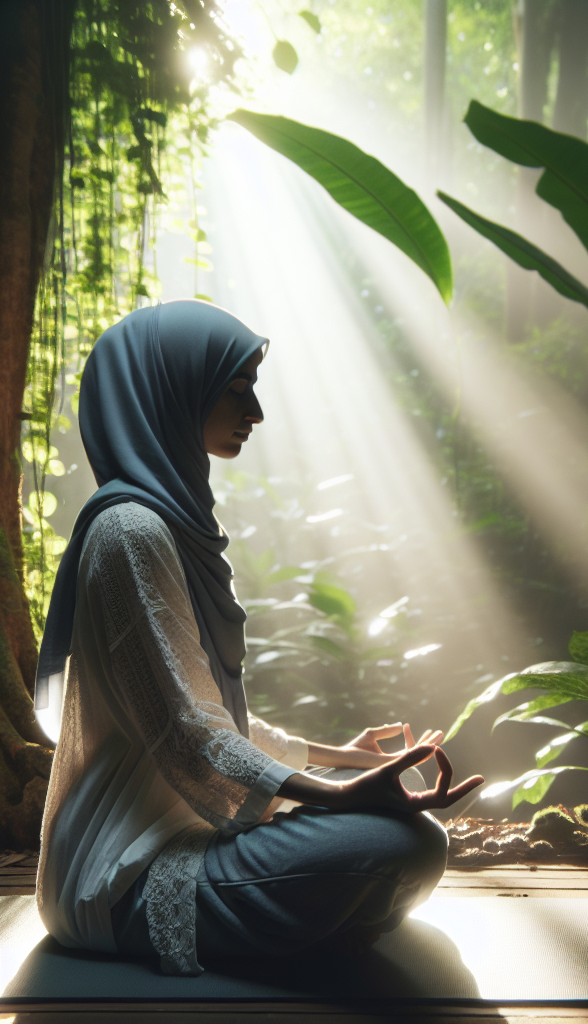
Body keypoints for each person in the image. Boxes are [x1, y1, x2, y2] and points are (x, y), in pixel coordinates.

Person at [34, 299, 483, 976]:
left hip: (190, 826)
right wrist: (334, 793)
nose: (257, 413)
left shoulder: (166, 522)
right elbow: (188, 734)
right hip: (124, 869)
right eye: (238, 388)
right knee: (398, 847)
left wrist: (342, 758)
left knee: (408, 829)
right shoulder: (130, 532)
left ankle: (301, 919)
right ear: (173, 389)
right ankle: (297, 922)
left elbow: (206, 710)